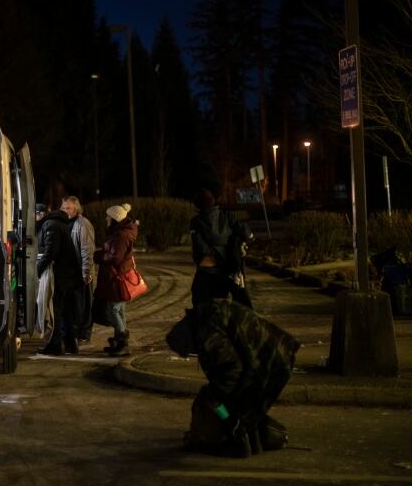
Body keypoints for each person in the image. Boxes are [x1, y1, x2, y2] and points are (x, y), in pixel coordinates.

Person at [166, 300, 300, 457]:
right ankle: (249, 441)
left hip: (268, 363)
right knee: (246, 410)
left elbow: (231, 371)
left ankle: (238, 443)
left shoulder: (208, 333)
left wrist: (219, 401)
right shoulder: (205, 316)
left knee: (228, 408)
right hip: (273, 356)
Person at [189, 185, 253, 308]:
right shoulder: (227, 216)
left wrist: (215, 256)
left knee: (200, 302)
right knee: (239, 302)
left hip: (208, 270)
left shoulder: (196, 222)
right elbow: (244, 231)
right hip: (229, 268)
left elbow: (200, 246)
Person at [36, 205, 82, 355]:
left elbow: (51, 251)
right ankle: (70, 344)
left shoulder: (50, 225)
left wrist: (37, 270)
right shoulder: (60, 224)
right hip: (69, 275)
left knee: (54, 309)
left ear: (40, 214)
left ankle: (55, 345)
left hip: (60, 275)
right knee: (66, 311)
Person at [94, 203, 138, 356]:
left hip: (117, 277)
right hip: (118, 276)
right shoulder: (121, 232)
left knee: (112, 309)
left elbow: (115, 257)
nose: (106, 218)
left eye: (108, 216)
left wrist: (96, 256)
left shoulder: (121, 235)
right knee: (119, 310)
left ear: (114, 219)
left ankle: (122, 339)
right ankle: (120, 342)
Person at [60, 196, 96, 344]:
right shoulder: (63, 223)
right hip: (68, 273)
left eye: (68, 208)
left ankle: (83, 333)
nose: (64, 210)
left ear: (76, 210)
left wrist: (86, 272)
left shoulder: (82, 224)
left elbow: (87, 249)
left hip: (80, 272)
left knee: (83, 304)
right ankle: (71, 332)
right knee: (71, 305)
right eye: (63, 207)